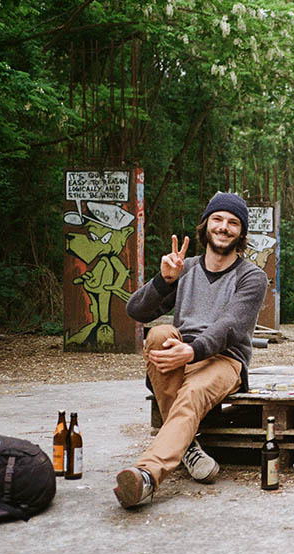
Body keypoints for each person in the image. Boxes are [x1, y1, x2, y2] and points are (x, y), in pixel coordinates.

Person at [114, 192, 267, 508]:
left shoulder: (252, 276)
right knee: (157, 334)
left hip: (224, 360)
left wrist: (193, 351)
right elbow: (135, 311)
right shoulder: (184, 269)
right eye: (218, 219)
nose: (224, 227)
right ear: (206, 224)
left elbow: (230, 326)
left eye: (233, 222)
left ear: (241, 233)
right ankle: (187, 448)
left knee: (193, 391)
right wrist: (163, 281)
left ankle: (145, 474)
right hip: (180, 356)